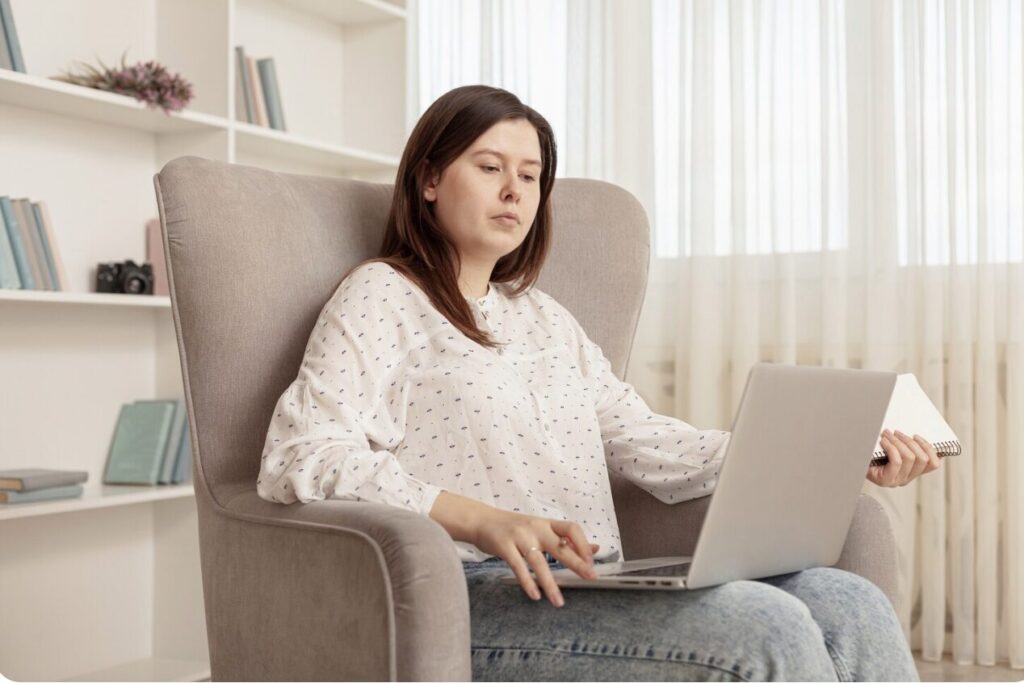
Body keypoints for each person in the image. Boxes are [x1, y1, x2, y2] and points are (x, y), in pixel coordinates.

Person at [258, 84, 938, 681]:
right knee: (767, 625)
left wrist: (838, 451)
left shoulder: (545, 318)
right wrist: (478, 516)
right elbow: (301, 454)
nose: (513, 191)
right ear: (430, 179)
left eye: (530, 175)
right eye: (490, 166)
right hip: (473, 591)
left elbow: (650, 444)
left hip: (600, 580)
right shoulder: (382, 294)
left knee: (848, 600)